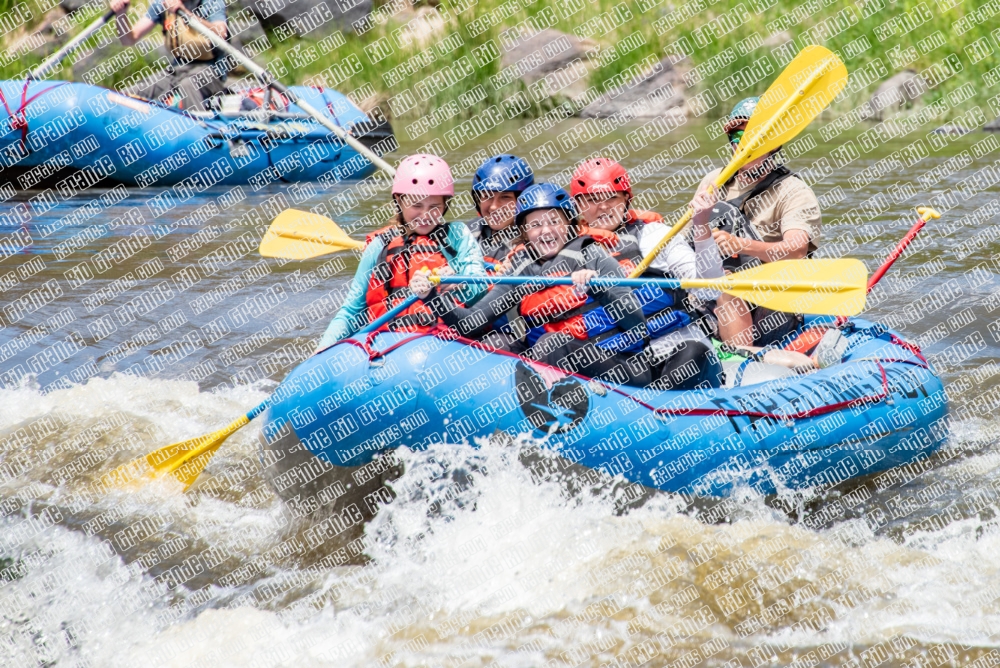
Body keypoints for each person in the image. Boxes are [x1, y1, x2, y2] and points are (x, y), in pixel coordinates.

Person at [410, 183, 655, 387]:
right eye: (535, 225)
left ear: (569, 225)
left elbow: (637, 326)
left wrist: (599, 288)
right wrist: (432, 296)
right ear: (525, 233)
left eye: (553, 222)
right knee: (495, 343)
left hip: (618, 364)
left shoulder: (594, 255)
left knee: (550, 343)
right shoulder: (522, 266)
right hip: (551, 363)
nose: (545, 231)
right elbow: (470, 323)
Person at [569, 157, 724, 390]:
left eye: (612, 197)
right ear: (579, 206)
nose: (602, 207)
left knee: (694, 352)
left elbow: (708, 288)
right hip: (617, 360)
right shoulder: (568, 249)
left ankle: (664, 410)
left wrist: (701, 224)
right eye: (592, 200)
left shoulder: (654, 235)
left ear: (626, 199)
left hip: (673, 351)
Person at [691, 96, 823, 348]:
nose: (746, 147)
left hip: (771, 303)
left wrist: (740, 245)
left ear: (773, 145)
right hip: (715, 292)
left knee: (728, 289)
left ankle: (744, 358)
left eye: (757, 139)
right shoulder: (713, 181)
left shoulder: (794, 191)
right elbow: (689, 247)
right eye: (739, 139)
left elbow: (796, 250)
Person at [317, 154, 485, 350]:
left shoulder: (457, 235)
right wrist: (323, 348)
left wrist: (455, 279)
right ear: (399, 200)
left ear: (445, 204)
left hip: (444, 342)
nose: (425, 215)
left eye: (434, 207)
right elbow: (351, 310)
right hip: (387, 343)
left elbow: (479, 288)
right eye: (416, 206)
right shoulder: (379, 245)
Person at [110, 0, 229, 111]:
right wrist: (121, 13)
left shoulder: (212, 2)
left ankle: (199, 129)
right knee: (132, 93)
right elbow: (129, 39)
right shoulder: (162, 4)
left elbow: (221, 32)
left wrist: (184, 12)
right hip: (176, 70)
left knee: (188, 85)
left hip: (210, 71)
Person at [468, 154, 534, 270]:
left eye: (505, 197)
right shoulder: (465, 234)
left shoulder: (536, 242)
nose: (494, 207)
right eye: (487, 196)